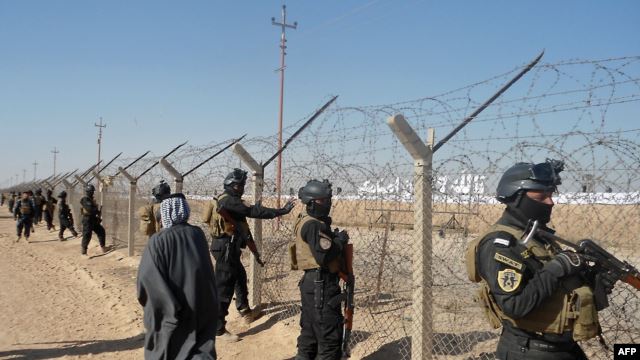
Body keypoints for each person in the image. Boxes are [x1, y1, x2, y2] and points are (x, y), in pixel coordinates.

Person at [466, 159, 615, 359]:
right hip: (530, 351)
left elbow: (559, 291)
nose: (550, 202)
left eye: (551, 194)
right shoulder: (500, 244)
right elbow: (514, 305)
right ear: (517, 197)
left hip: (563, 347)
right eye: (541, 196)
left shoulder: (537, 237)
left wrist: (594, 282)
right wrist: (557, 268)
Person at [210, 168, 295, 341]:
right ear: (233, 186)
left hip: (227, 248)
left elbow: (243, 227)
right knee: (224, 288)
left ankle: (244, 310)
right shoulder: (230, 202)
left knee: (240, 278)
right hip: (226, 249)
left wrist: (253, 250)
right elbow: (255, 212)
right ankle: (217, 329)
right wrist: (281, 211)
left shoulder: (227, 200)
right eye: (240, 185)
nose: (242, 188)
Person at [137, 193, 218, 360]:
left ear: (164, 217)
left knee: (171, 348)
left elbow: (147, 281)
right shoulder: (197, 234)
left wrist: (164, 310)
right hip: (201, 305)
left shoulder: (158, 240)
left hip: (173, 310)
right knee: (200, 348)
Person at [291, 179, 349, 360]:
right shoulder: (314, 225)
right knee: (329, 340)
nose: (327, 204)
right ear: (310, 202)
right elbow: (324, 256)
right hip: (320, 285)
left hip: (312, 284)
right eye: (322, 201)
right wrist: (340, 241)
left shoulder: (306, 220)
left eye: (328, 200)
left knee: (310, 334)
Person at [80, 184, 107, 255]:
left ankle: (103, 247)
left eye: (93, 191)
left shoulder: (91, 200)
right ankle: (84, 251)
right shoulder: (85, 199)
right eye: (91, 191)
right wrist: (96, 209)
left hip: (93, 219)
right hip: (87, 219)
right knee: (87, 235)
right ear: (88, 192)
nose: (93, 193)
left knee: (101, 231)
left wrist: (97, 211)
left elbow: (94, 210)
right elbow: (90, 209)